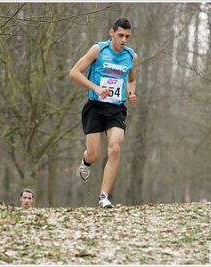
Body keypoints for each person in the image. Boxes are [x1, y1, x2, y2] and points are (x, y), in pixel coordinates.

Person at [69, 17, 138, 208]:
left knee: (115, 148)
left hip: (116, 108)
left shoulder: (131, 56)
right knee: (94, 155)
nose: (124, 40)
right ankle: (85, 162)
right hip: (95, 106)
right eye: (120, 35)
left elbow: (131, 79)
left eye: (127, 36)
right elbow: (74, 72)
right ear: (111, 33)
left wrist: (131, 93)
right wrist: (97, 88)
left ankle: (103, 196)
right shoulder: (98, 50)